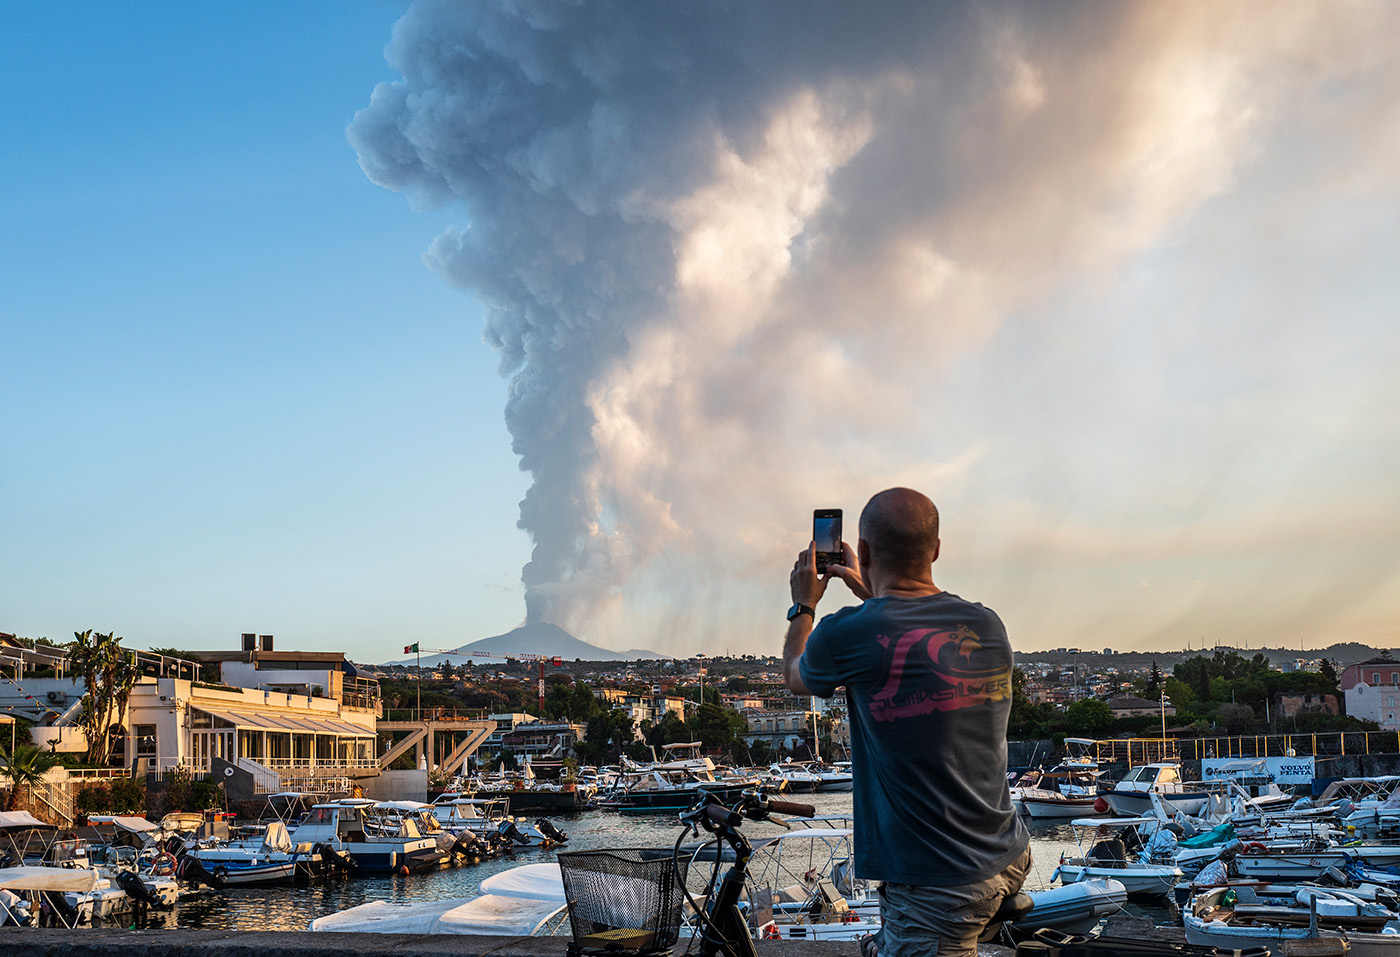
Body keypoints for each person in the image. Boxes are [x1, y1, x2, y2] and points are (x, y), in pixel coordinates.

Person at [783, 487, 1030, 957]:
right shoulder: (987, 625)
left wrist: (803, 605)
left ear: (868, 551)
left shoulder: (845, 632)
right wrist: (871, 591)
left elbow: (796, 674)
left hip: (938, 885)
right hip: (1008, 854)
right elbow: (906, 628)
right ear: (936, 550)